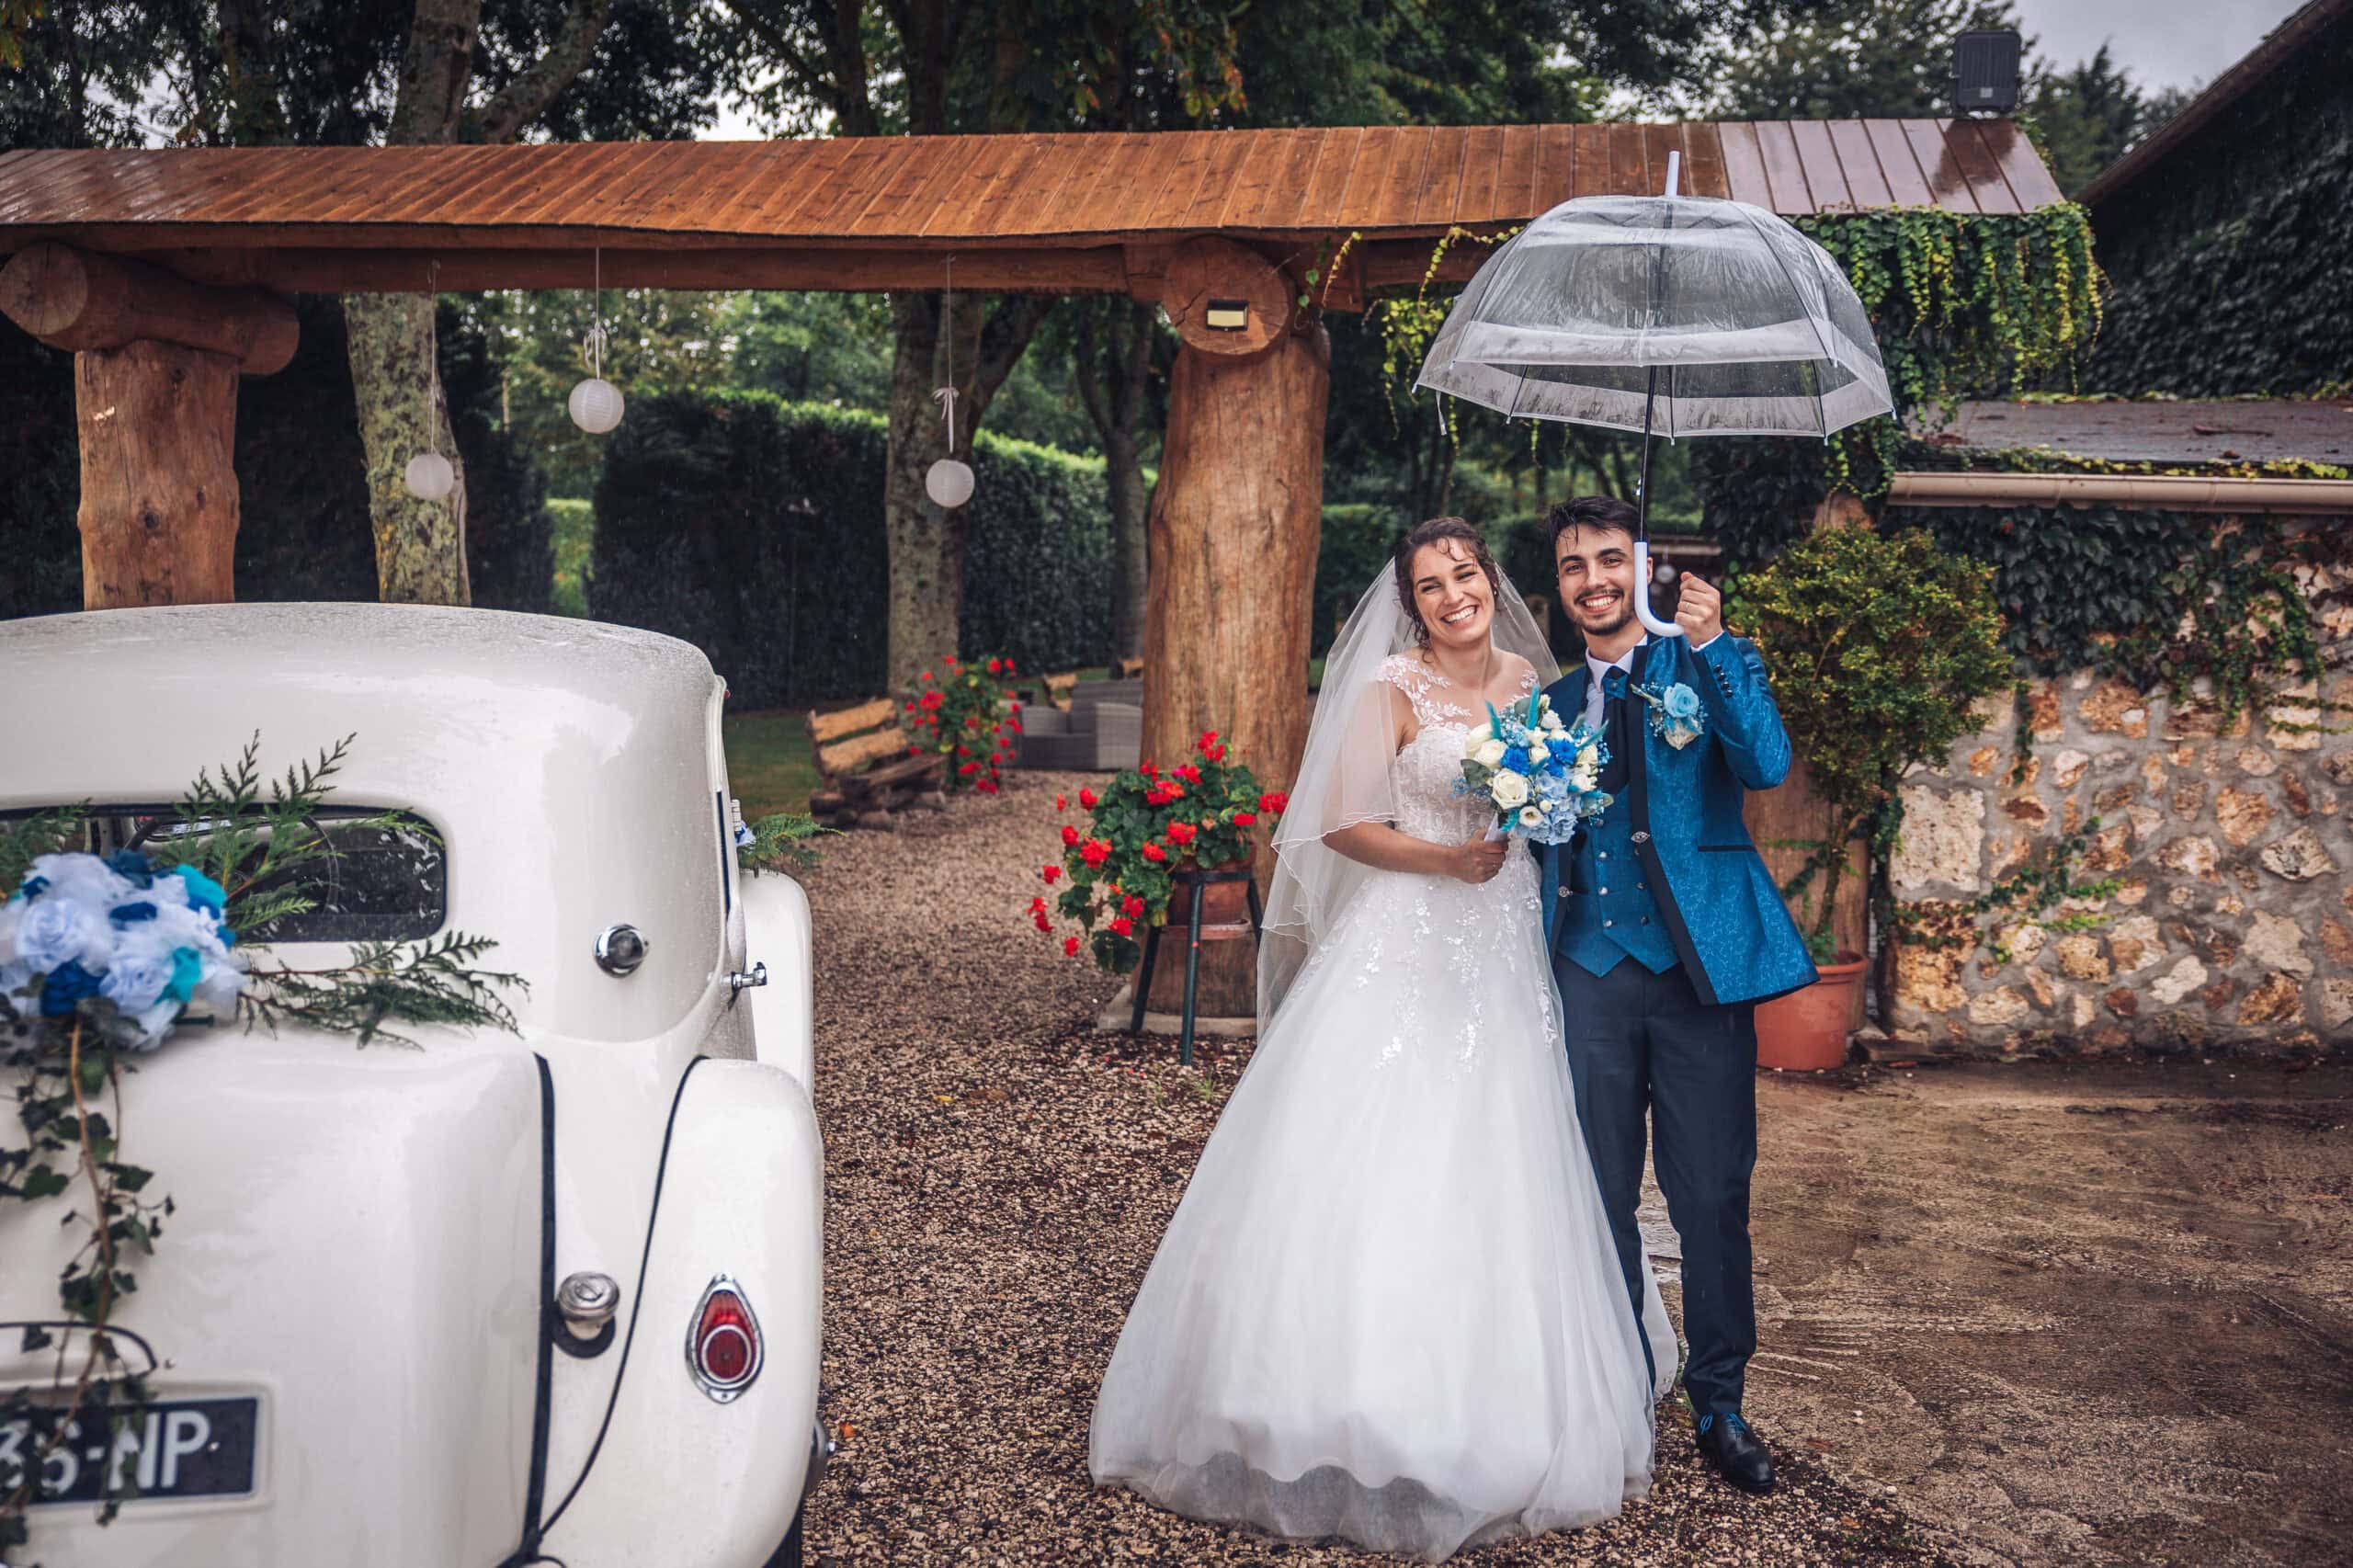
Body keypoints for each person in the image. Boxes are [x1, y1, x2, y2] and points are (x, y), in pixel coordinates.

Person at [1090, 517, 1673, 1562]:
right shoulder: (1390, 689)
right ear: (1411, 605)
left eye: (1465, 574)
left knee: (1510, 1148)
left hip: (1506, 946)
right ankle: (1327, 1400)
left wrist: (1544, 811)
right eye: (1431, 585)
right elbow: (1336, 822)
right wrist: (1442, 861)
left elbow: (1565, 808)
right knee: (1375, 1147)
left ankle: (1505, 1407)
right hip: (1411, 931)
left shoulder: (1534, 685)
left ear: (1491, 580)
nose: (1454, 595)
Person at [1539, 495, 1817, 1495]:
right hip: (1586, 973)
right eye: (1574, 565)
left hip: (1699, 975)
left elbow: (1766, 764)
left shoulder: (1704, 663)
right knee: (1596, 1193)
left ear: (1643, 567)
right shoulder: (1548, 703)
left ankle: (1719, 1402)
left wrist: (1715, 645)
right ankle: (1618, 1380)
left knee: (1709, 1196)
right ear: (1560, 585)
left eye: (1610, 559)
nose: (1593, 580)